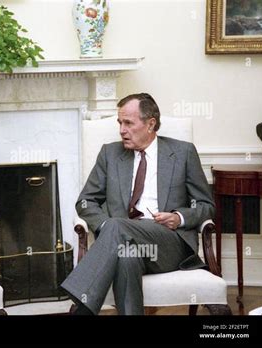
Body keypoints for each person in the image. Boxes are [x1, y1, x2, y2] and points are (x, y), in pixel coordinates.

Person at [61, 93, 214, 315]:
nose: (122, 130)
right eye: (119, 123)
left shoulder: (183, 153)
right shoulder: (110, 154)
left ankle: (81, 307)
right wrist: (106, 228)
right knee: (126, 257)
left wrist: (179, 217)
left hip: (168, 243)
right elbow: (85, 201)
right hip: (126, 243)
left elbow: (206, 205)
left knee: (117, 226)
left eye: (128, 123)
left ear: (151, 124)